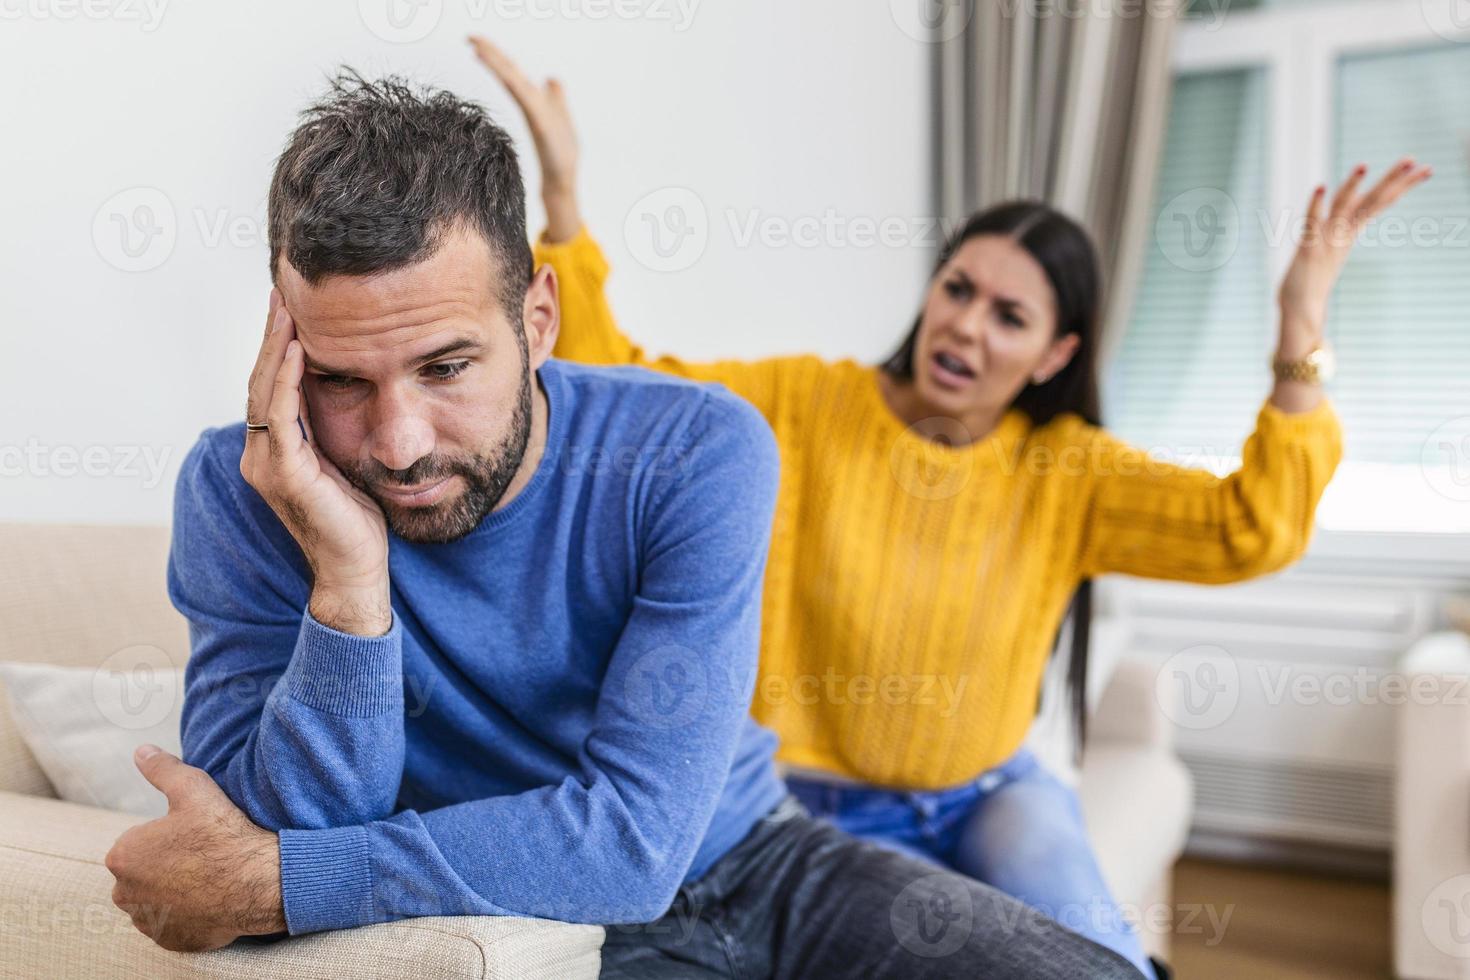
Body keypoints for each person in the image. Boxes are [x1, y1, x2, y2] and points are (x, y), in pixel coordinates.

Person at [102, 69, 1143, 979]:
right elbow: (264, 827)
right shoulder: (249, 485)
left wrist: (286, 881)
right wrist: (348, 588)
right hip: (545, 934)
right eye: (337, 379)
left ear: (539, 319)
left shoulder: (697, 451)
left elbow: (633, 839)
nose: (400, 441)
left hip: (759, 859)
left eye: (447, 366)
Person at [470, 36, 1432, 979]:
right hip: (797, 814)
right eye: (957, 288)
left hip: (986, 799)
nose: (966, 324)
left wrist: (1301, 330)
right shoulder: (805, 404)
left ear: (1055, 355)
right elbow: (618, 385)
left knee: (1100, 964)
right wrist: (562, 198)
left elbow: (1250, 526)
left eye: (1009, 317)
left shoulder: (1067, 470)